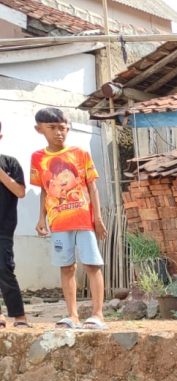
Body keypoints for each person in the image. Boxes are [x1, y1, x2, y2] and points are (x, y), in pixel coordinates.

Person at [30, 108, 106, 330]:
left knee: (92, 264)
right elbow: (44, 190)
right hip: (58, 222)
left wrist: (98, 218)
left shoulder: (80, 153)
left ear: (68, 129)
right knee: (66, 267)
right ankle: (72, 316)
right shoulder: (38, 158)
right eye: (52, 128)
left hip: (84, 220)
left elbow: (93, 188)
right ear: (39, 129)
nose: (58, 133)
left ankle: (98, 315)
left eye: (62, 128)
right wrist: (41, 218)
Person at [0, 122, 29, 328]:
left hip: (3, 229)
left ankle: (19, 317)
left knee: (4, 269)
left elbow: (20, 192)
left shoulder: (10, 163)